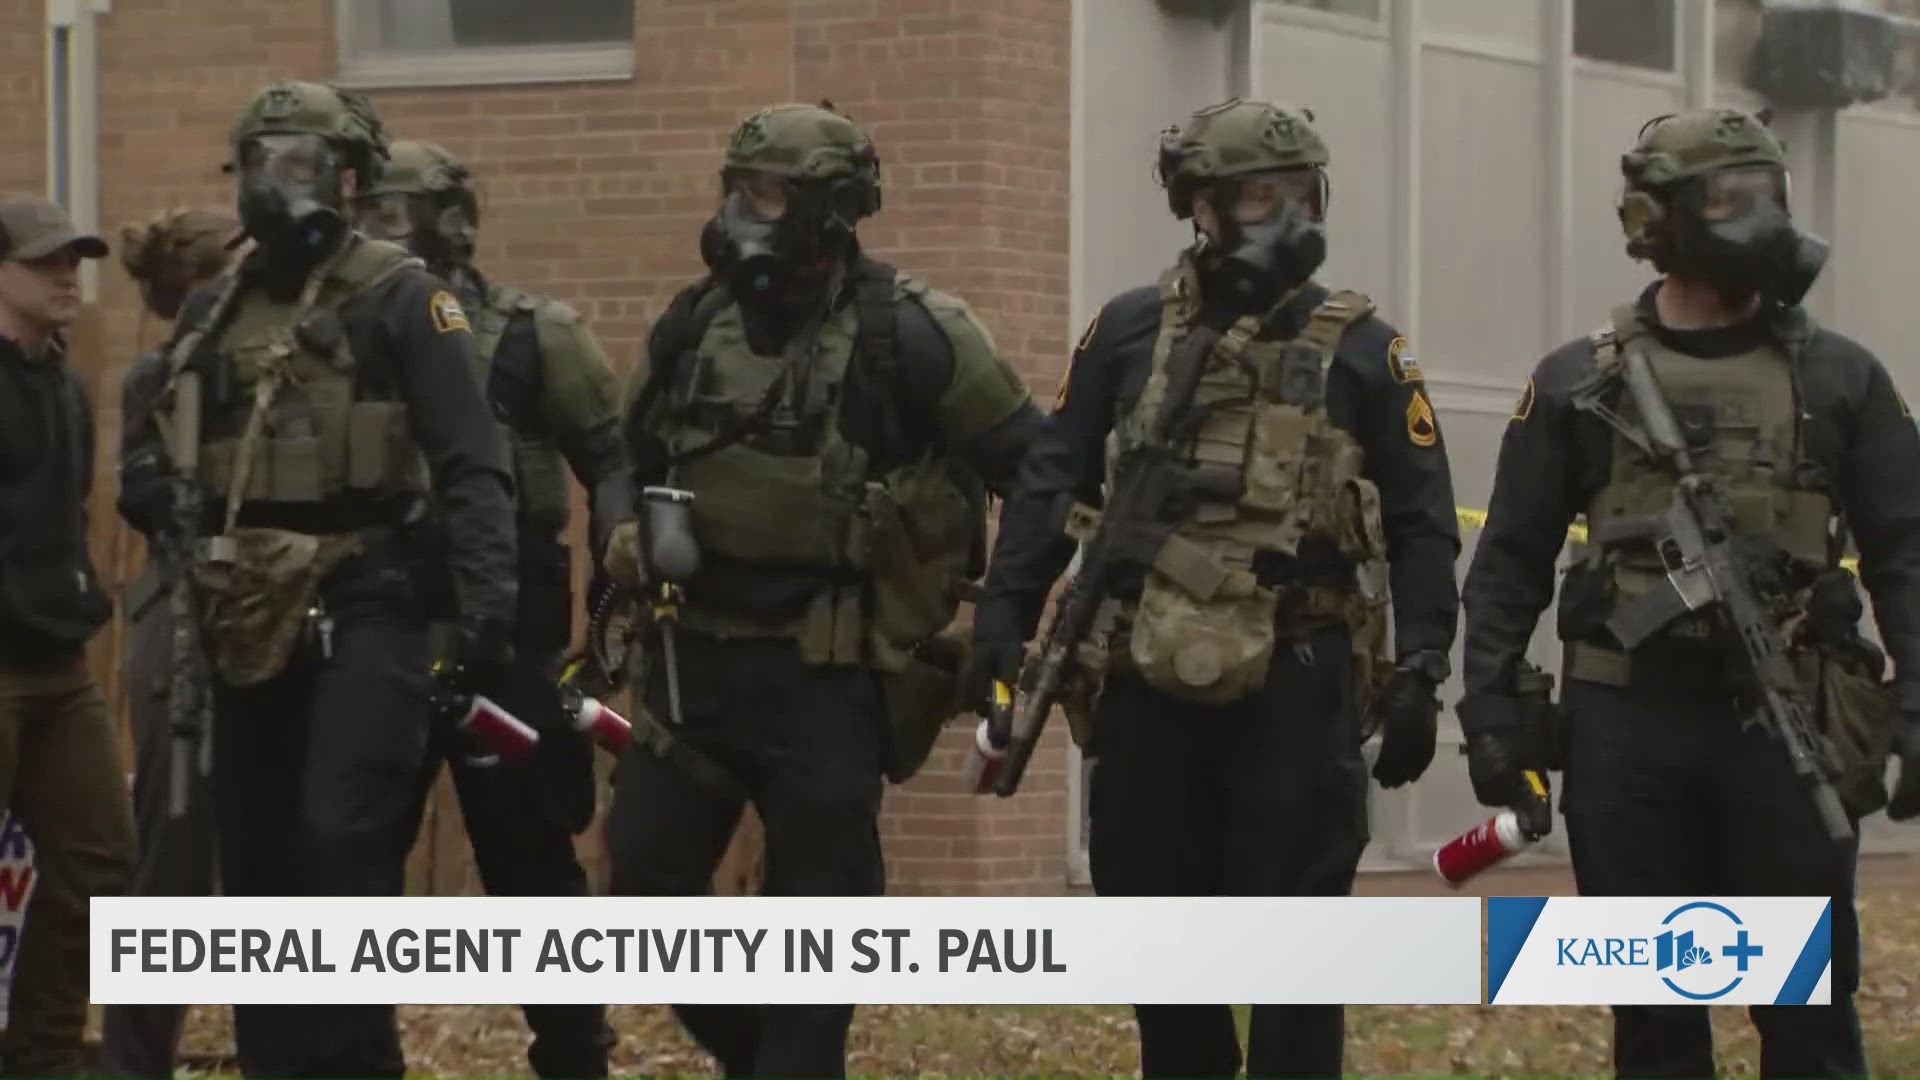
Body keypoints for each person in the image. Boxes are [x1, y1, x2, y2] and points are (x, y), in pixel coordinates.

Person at [969, 98, 1461, 1079]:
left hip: (1299, 673)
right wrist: (1002, 623)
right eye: (1256, 195)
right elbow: (1052, 480)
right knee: (1163, 954)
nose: (1284, 214)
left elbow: (1422, 521)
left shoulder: (1367, 348)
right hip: (1148, 686)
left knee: (1294, 972)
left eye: (1299, 192)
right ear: (1201, 207)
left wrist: (1420, 669)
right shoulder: (1128, 332)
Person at [1460, 106, 1920, 1079]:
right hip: (1629, 728)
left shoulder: (1840, 379)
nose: (1761, 219)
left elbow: (1905, 554)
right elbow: (1510, 558)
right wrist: (1490, 706)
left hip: (1792, 727)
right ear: (1658, 220)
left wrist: (1916, 706)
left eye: (1770, 195)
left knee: (1808, 1016)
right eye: (1731, 200)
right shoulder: (1583, 380)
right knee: (1661, 1021)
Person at [606, 101, 1043, 1078]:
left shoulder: (916, 335)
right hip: (693, 663)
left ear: (833, 211)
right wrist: (625, 534)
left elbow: (1037, 468)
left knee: (818, 918)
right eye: (737, 190)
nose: (744, 214)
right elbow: (622, 459)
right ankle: (761, 1056)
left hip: (832, 675)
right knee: (644, 883)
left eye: (768, 194)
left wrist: (1005, 619)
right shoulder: (691, 326)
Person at [144, 81, 519, 1079]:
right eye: (260, 162)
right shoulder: (222, 304)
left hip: (371, 595)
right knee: (259, 859)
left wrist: (484, 613)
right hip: (244, 605)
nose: (277, 184)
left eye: (300, 164)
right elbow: (164, 431)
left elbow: (474, 459)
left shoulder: (403, 295)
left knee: (341, 837)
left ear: (350, 180)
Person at [350, 138, 628, 1078]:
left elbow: (613, 457)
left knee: (530, 853)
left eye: (390, 212)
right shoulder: (350, 330)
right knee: (356, 853)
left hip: (509, 624)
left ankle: (574, 1051)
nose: (370, 231)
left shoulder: (530, 331)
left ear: (454, 224)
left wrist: (616, 580)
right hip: (382, 620)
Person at [101, 206, 241, 1080]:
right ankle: (133, 1064)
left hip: (271, 616)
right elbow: (147, 499)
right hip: (184, 615)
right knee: (173, 852)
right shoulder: (159, 376)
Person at [0, 193, 136, 1078]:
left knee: (102, 857)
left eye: (74, 260)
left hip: (59, 663)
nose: (66, 276)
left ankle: (41, 1056)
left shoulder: (66, 385)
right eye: (46, 261)